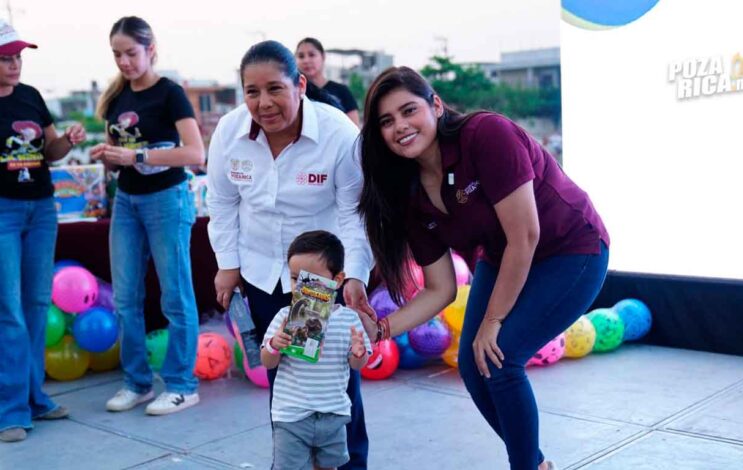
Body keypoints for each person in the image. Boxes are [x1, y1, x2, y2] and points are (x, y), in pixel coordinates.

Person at [357, 67, 610, 470]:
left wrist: (493, 321)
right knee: (476, 371)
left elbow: (525, 235)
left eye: (409, 111)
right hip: (503, 255)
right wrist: (380, 329)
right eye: (387, 121)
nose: (400, 126)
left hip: (571, 249)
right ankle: (536, 464)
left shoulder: (487, 134)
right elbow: (439, 289)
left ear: (436, 105)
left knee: (499, 357)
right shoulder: (410, 193)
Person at [206, 40, 374, 469]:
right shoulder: (229, 131)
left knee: (333, 380)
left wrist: (354, 275)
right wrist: (227, 265)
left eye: (275, 89)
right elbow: (222, 202)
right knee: (285, 384)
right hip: (261, 273)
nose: (264, 104)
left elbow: (355, 213)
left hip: (314, 279)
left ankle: (347, 464)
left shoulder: (337, 132)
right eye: (251, 91)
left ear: (300, 83)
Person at [89, 16, 205, 416]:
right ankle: (137, 382)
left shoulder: (169, 93)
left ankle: (181, 384)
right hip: (126, 201)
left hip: (166, 200)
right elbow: (116, 153)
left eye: (131, 53)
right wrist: (104, 157)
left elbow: (195, 153)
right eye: (117, 55)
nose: (124, 62)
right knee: (125, 298)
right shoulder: (116, 98)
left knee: (175, 295)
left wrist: (136, 155)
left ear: (151, 49)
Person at [0, 20, 87, 443]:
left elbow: (48, 150)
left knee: (35, 304)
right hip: (3, 213)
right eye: (5, 57)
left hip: (40, 208)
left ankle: (34, 397)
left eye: (18, 56)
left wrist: (67, 141)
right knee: (8, 310)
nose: (14, 64)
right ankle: (10, 410)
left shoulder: (31, 96)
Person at [262, 230, 371, 470]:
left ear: (338, 279)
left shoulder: (349, 320)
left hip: (331, 413)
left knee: (328, 467)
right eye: (294, 278)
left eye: (310, 278)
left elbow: (356, 366)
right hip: (291, 415)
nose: (301, 286)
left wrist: (358, 353)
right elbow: (268, 362)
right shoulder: (284, 317)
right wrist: (274, 345)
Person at [296, 38, 360, 126]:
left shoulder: (342, 91)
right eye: (301, 56)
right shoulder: (295, 93)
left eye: (311, 55)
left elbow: (354, 128)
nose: (306, 60)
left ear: (323, 57)